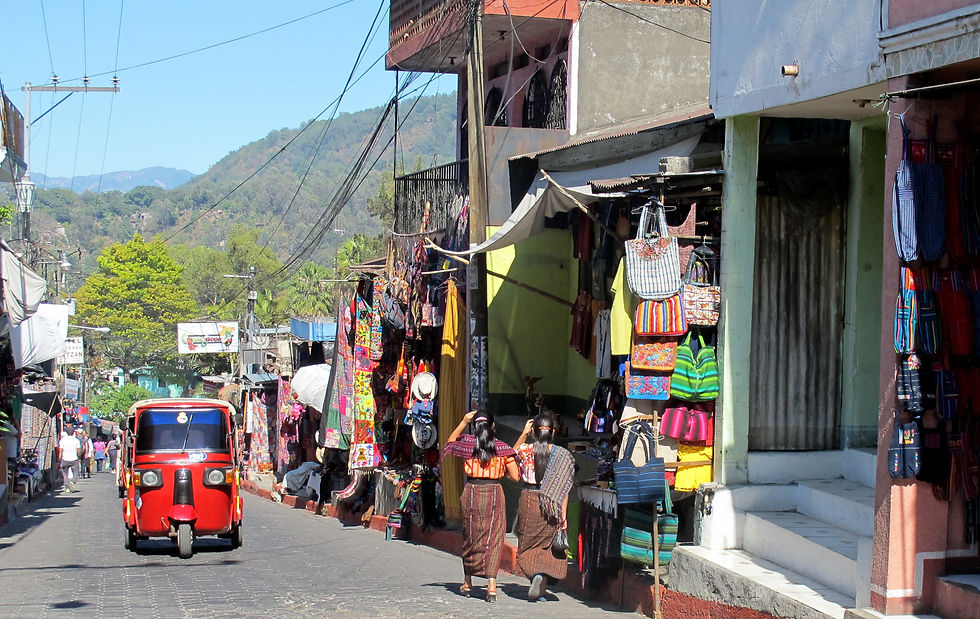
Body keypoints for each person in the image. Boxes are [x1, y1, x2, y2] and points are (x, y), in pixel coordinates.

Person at [443, 411, 520, 603]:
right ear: (493, 426)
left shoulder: (469, 445)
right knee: (494, 538)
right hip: (494, 492)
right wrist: (501, 471)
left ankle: (468, 582)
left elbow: (450, 443)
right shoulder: (503, 448)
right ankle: (492, 586)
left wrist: (463, 421)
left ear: (475, 426)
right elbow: (516, 476)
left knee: (471, 536)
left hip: (471, 492)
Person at [513, 414, 575, 601]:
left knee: (527, 543)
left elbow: (507, 458)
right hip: (552, 503)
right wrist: (562, 515)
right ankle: (542, 581)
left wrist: (523, 435)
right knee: (547, 546)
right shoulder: (563, 455)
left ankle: (535, 577)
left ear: (533, 431)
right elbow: (565, 489)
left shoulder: (524, 451)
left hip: (529, 500)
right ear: (553, 432)